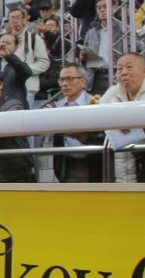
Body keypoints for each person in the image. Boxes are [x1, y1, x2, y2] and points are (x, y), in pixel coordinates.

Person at [48, 64, 104, 183]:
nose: (64, 84)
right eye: (61, 80)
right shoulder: (56, 107)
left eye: (70, 79)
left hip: (93, 162)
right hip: (66, 164)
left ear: (82, 82)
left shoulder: (97, 103)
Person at [99, 53, 145, 182]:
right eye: (119, 69)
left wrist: (128, 121)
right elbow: (98, 116)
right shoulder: (112, 92)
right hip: (122, 161)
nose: (124, 72)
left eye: (129, 67)